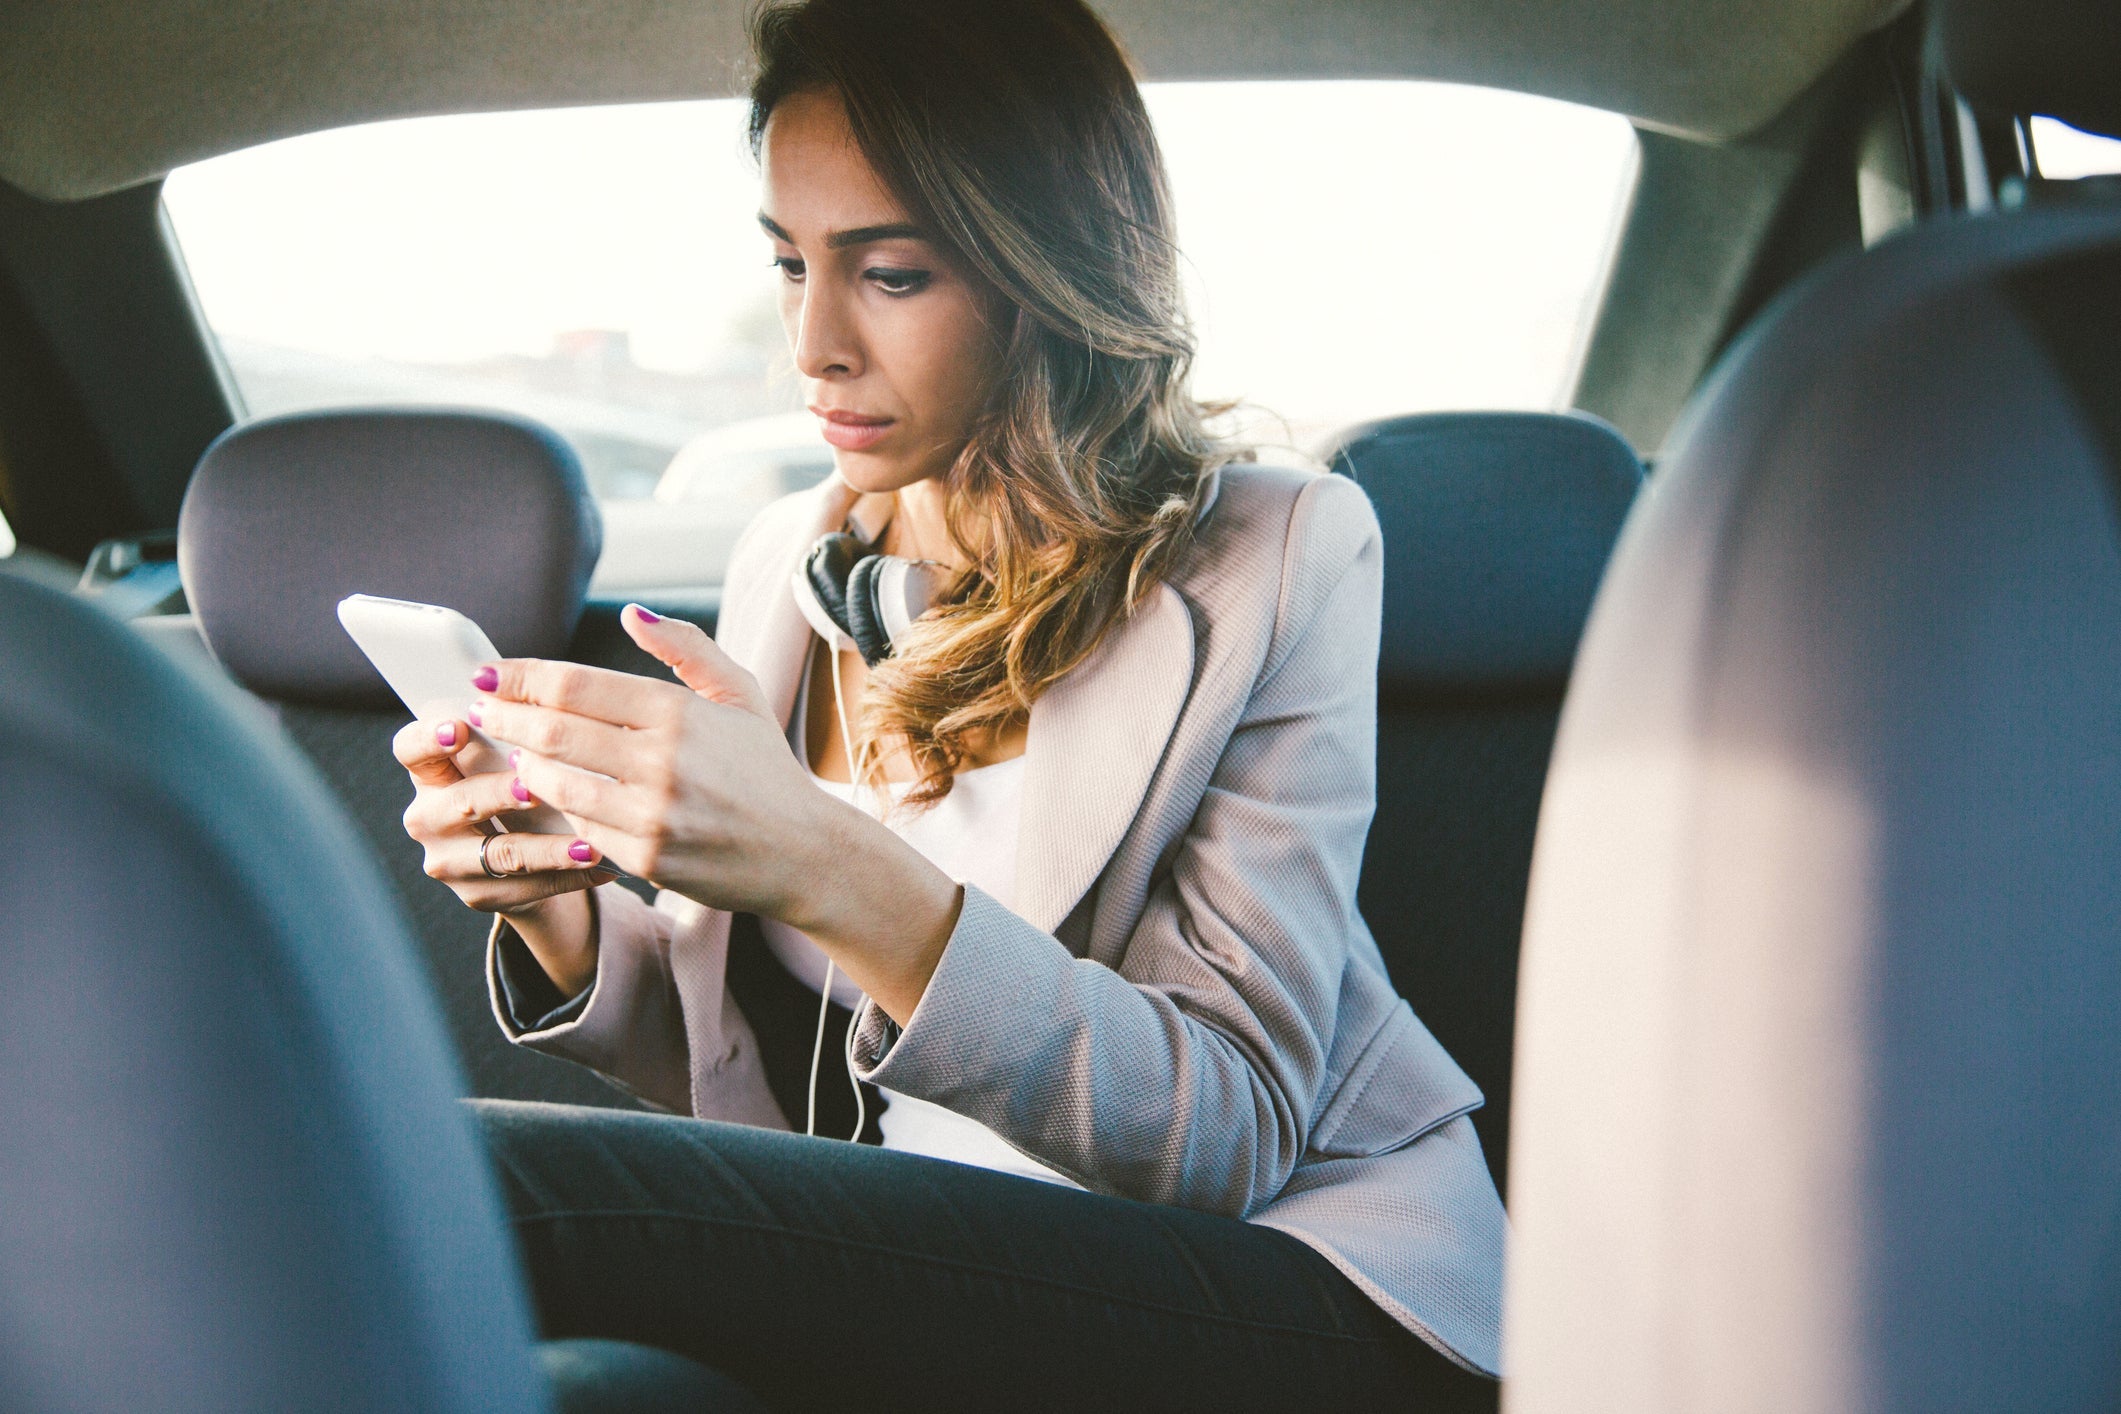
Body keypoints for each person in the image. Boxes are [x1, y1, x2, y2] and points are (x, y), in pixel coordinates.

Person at [392, 0, 1506, 1406]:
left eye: (893, 272)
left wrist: (824, 860)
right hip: (948, 1270)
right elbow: (760, 1091)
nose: (812, 343)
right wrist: (557, 904)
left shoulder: (1280, 552)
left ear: (1050, 270)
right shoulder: (787, 567)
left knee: (483, 1181)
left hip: (1282, 1280)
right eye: (790, 263)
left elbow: (1228, 1130)